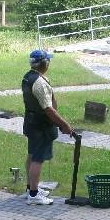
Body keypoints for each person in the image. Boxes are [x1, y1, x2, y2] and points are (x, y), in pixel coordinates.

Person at [22, 49, 73, 205]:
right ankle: (33, 195)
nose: (49, 62)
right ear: (44, 63)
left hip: (31, 122)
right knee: (37, 159)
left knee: (32, 155)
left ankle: (31, 188)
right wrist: (64, 124)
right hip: (41, 126)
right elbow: (49, 109)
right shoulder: (39, 83)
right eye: (48, 60)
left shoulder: (28, 77)